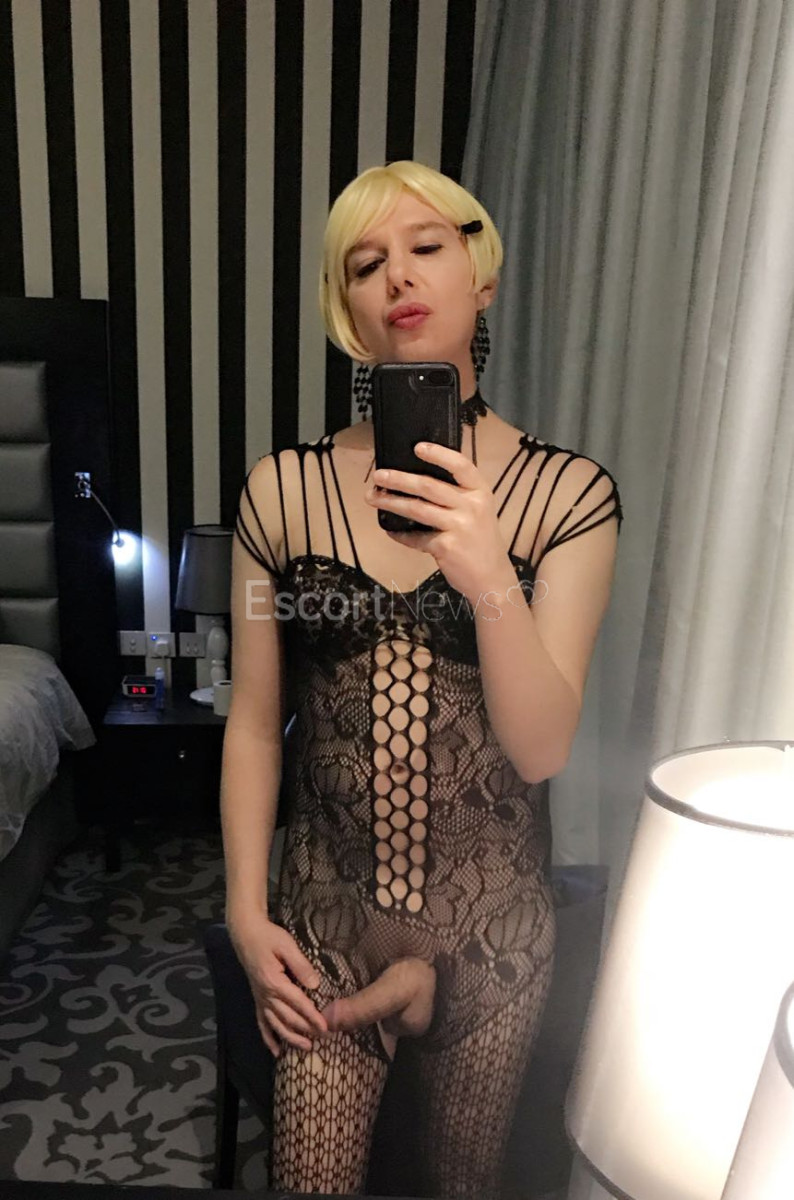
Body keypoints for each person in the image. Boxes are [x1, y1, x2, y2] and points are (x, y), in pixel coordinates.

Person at [222, 160, 623, 1198]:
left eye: (426, 245)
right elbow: (255, 725)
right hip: (325, 920)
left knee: (462, 1186)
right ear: (348, 312)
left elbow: (542, 747)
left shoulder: (566, 495)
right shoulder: (282, 492)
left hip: (491, 935)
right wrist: (244, 914)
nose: (396, 274)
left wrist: (487, 573)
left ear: (480, 276)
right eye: (364, 263)